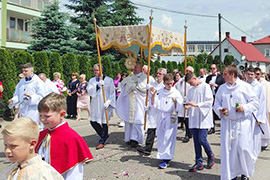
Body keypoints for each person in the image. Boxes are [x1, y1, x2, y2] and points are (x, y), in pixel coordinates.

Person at [213, 65, 259, 180]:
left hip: (242, 123)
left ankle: (245, 172)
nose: (223, 76)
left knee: (243, 149)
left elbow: (255, 102)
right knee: (228, 150)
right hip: (227, 124)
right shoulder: (222, 88)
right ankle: (230, 174)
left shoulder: (244, 87)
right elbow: (216, 104)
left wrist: (244, 107)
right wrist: (220, 110)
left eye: (225, 74)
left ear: (232, 74)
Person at [36, 93, 93, 179]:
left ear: (62, 114)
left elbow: (74, 173)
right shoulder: (42, 135)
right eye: (40, 115)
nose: (42, 119)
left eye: (47, 116)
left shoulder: (71, 138)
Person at [150, 73, 183, 169]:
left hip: (170, 116)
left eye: (171, 83)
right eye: (168, 83)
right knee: (160, 136)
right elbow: (154, 104)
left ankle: (167, 159)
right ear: (164, 83)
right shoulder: (159, 91)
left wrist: (176, 102)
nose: (170, 85)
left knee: (168, 137)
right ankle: (162, 156)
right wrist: (152, 96)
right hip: (161, 115)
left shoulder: (175, 92)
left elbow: (180, 106)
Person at [184, 72, 214, 172]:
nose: (190, 85)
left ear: (195, 78)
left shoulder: (205, 86)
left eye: (190, 82)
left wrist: (197, 105)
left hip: (203, 118)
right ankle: (199, 162)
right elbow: (188, 100)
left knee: (202, 139)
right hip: (193, 117)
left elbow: (209, 101)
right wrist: (187, 105)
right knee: (196, 141)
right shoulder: (191, 90)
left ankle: (210, 155)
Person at [116, 62, 147, 148]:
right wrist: (128, 86)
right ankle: (129, 138)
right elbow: (122, 85)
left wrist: (134, 86)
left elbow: (144, 88)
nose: (134, 68)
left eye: (136, 67)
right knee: (129, 121)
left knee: (138, 121)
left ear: (141, 68)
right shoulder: (130, 76)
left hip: (139, 102)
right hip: (130, 102)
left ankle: (138, 140)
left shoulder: (145, 77)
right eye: (133, 67)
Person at [137, 68, 167, 156]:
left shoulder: (164, 86)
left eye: (160, 74)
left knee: (162, 130)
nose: (158, 75)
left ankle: (163, 147)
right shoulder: (151, 84)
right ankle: (148, 148)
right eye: (157, 73)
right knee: (151, 128)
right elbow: (149, 97)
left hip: (161, 110)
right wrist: (147, 105)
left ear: (164, 76)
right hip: (153, 110)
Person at [87, 64, 116, 150]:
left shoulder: (109, 80)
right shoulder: (92, 80)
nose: (95, 72)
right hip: (95, 104)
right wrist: (97, 86)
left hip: (104, 103)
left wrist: (109, 101)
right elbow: (89, 90)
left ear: (101, 70)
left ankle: (102, 141)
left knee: (104, 122)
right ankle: (104, 135)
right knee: (93, 122)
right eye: (94, 70)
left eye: (97, 70)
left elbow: (112, 92)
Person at [8, 63, 46, 127]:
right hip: (23, 108)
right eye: (23, 71)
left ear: (32, 71)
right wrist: (13, 100)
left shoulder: (38, 82)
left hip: (33, 109)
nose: (24, 73)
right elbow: (18, 94)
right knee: (23, 127)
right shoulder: (21, 82)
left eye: (26, 71)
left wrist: (31, 97)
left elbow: (42, 97)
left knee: (31, 127)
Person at [175, 66, 194, 143]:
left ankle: (188, 133)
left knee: (187, 119)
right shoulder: (181, 81)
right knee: (183, 118)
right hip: (181, 102)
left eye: (190, 71)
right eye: (187, 70)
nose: (188, 72)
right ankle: (188, 133)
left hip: (190, 102)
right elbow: (176, 89)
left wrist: (190, 102)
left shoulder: (192, 81)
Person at [206, 64, 225, 134]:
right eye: (211, 68)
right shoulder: (208, 77)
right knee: (211, 112)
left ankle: (222, 126)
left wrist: (217, 85)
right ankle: (212, 127)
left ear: (216, 69)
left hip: (218, 95)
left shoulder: (221, 77)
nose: (212, 70)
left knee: (218, 110)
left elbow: (224, 85)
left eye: (213, 68)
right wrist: (209, 85)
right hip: (210, 95)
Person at [255, 67, 270, 150]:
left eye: (258, 74)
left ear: (261, 74)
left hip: (265, 106)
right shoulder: (251, 84)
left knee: (265, 125)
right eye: (255, 74)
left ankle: (264, 142)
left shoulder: (266, 84)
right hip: (255, 108)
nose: (256, 76)